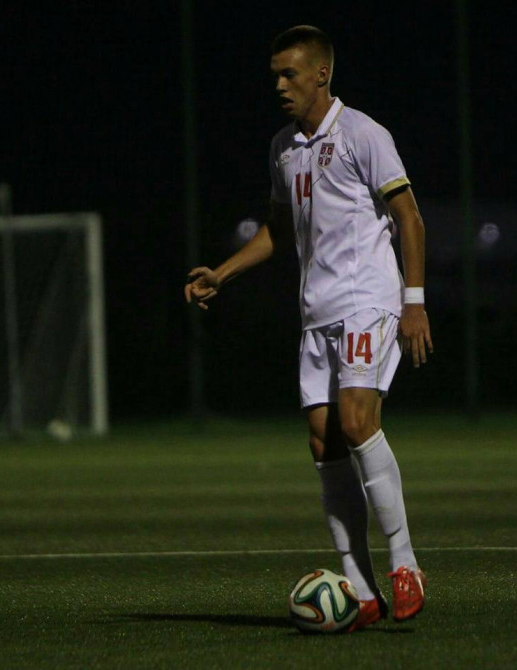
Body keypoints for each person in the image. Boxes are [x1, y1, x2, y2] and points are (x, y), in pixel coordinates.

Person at [185, 25, 433, 632]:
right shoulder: (283, 147)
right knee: (324, 444)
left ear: (322, 73)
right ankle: (361, 589)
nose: (279, 85)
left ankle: (405, 565)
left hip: (366, 301)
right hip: (316, 312)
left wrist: (414, 302)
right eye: (275, 74)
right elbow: (278, 230)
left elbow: (409, 217)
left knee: (357, 421)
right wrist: (223, 273)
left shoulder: (363, 133)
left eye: (289, 73)